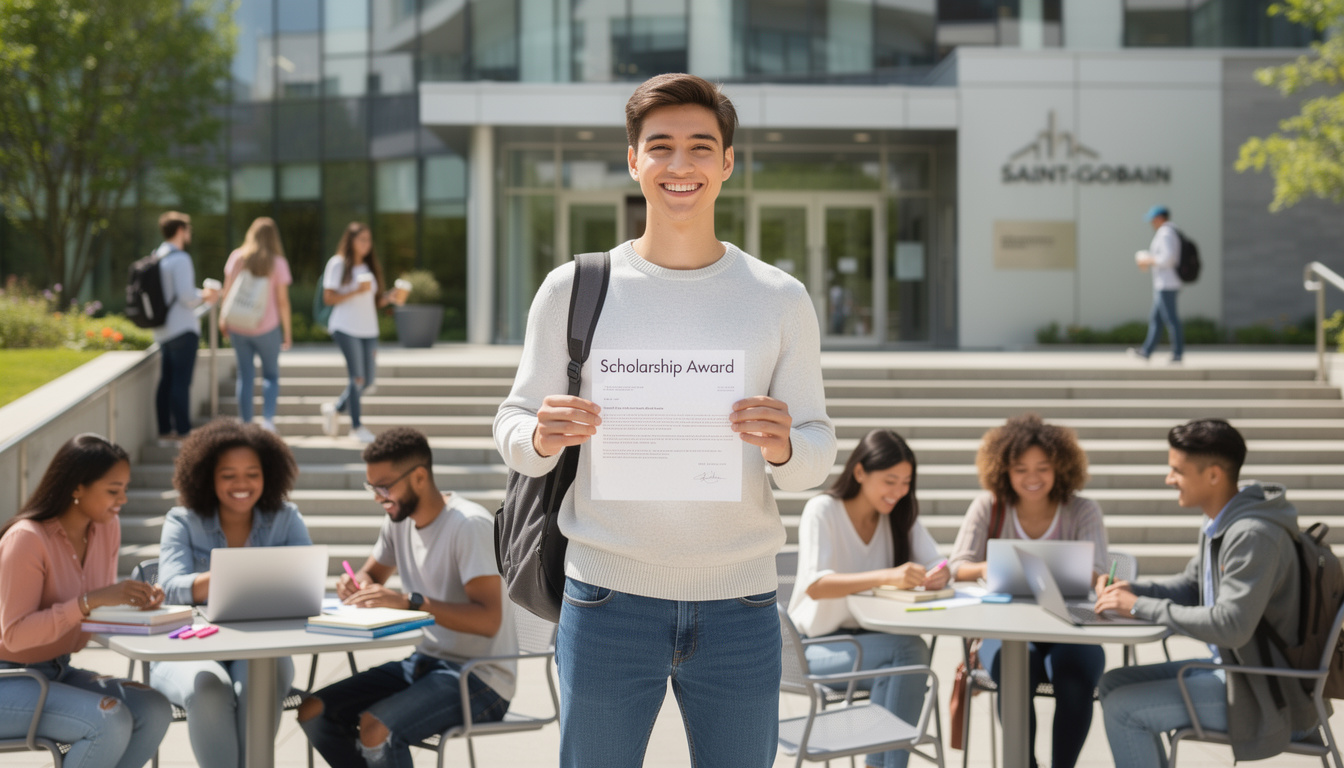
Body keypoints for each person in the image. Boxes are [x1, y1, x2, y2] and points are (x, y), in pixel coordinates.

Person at [494, 72, 835, 768]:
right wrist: (539, 435)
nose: (681, 165)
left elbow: (817, 450)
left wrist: (782, 448)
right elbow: (513, 427)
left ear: (728, 163)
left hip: (739, 605)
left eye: (701, 147)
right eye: (661, 147)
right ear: (633, 160)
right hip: (604, 602)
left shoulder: (778, 298)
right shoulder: (575, 287)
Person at [1096, 419, 1317, 768]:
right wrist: (1130, 591)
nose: (1169, 480)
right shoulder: (1222, 521)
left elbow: (1231, 626)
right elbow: (1190, 586)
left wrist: (1139, 606)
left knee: (1124, 710)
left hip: (1268, 691)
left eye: (1177, 471)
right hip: (1235, 670)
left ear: (1213, 475)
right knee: (1112, 683)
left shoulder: (1252, 534)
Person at [298, 427, 516, 768]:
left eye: (384, 487)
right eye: (371, 487)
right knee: (314, 710)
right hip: (426, 663)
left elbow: (488, 621)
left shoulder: (468, 525)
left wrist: (409, 602)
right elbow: (371, 575)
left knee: (377, 730)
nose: (377, 497)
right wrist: (355, 584)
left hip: (480, 677)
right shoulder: (398, 521)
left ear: (418, 477)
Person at [0, 433, 173, 768]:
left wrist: (136, 606)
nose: (122, 498)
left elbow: (95, 610)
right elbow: (14, 635)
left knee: (153, 708)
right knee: (108, 722)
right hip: (8, 679)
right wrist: (87, 602)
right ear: (76, 487)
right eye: (113, 490)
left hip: (58, 671)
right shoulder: (26, 539)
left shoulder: (106, 528)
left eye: (124, 487)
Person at [947, 413, 1108, 768]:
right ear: (1004, 469)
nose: (1032, 478)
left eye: (1043, 468)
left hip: (1071, 627)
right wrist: (991, 567)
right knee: (1017, 672)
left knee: (1075, 679)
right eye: (1020, 469)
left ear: (1061, 467)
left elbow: (1099, 573)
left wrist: (1086, 573)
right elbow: (956, 567)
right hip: (1006, 630)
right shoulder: (988, 506)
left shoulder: (1082, 510)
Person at [150, 419, 309, 768]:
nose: (242, 484)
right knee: (209, 688)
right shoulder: (182, 520)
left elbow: (304, 580)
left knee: (263, 682)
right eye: (228, 475)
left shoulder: (286, 517)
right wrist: (233, 573)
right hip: (188, 647)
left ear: (268, 474)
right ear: (207, 476)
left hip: (262, 646)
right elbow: (171, 588)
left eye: (252, 473)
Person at [789, 429, 945, 768]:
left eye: (906, 482)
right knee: (909, 652)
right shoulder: (823, 510)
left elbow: (937, 561)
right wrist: (888, 576)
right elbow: (817, 585)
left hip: (874, 647)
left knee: (902, 659)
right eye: (890, 480)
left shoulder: (899, 516)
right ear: (860, 472)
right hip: (817, 649)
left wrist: (939, 573)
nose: (899, 491)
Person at [321, 222, 397, 444]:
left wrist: (390, 297)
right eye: (362, 239)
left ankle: (334, 409)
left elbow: (375, 300)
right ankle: (356, 426)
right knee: (357, 377)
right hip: (345, 327)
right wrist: (354, 290)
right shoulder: (337, 264)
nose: (366, 244)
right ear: (350, 241)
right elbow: (328, 298)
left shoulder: (368, 266)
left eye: (369, 240)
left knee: (368, 380)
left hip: (368, 329)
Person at [220, 216, 293, 433]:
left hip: (238, 326)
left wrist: (222, 319)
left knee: (245, 375)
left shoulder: (237, 257)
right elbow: (282, 301)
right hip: (267, 327)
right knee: (270, 375)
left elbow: (228, 291)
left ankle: (246, 422)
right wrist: (287, 332)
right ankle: (268, 421)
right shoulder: (278, 263)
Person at [153, 211, 219, 442]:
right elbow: (187, 297)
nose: (189, 234)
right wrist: (207, 295)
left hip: (162, 330)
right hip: (182, 328)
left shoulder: (157, 257)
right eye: (188, 229)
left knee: (166, 381)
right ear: (181, 230)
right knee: (181, 381)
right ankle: (183, 431)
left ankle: (164, 430)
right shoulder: (181, 259)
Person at [1127, 205, 1183, 364]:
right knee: (1156, 319)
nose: (1152, 223)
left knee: (1171, 320)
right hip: (1164, 284)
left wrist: (1148, 260)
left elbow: (1168, 259)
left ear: (1159, 218)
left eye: (1152, 219)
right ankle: (1147, 351)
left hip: (1167, 284)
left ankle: (1177, 354)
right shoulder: (1169, 232)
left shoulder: (1166, 233)